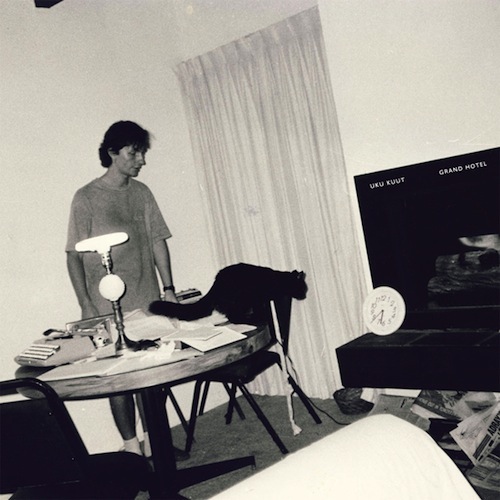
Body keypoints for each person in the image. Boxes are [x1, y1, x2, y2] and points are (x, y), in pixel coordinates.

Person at [66, 120, 180, 458]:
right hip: (106, 305)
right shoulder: (86, 198)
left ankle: (155, 443)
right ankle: (132, 449)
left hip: (147, 297)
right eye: (134, 153)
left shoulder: (142, 193)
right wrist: (86, 304)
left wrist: (169, 289)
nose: (141, 160)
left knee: (153, 372)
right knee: (120, 380)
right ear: (113, 152)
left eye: (142, 153)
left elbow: (158, 241)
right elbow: (73, 256)